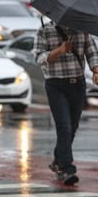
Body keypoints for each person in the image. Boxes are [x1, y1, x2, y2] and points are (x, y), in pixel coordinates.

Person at [33, 21, 98, 185]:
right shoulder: (44, 31)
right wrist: (60, 50)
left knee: (73, 126)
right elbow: (39, 58)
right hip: (56, 85)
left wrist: (96, 70)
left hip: (78, 84)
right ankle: (66, 169)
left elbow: (92, 52)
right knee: (64, 126)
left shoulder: (82, 29)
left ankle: (57, 160)